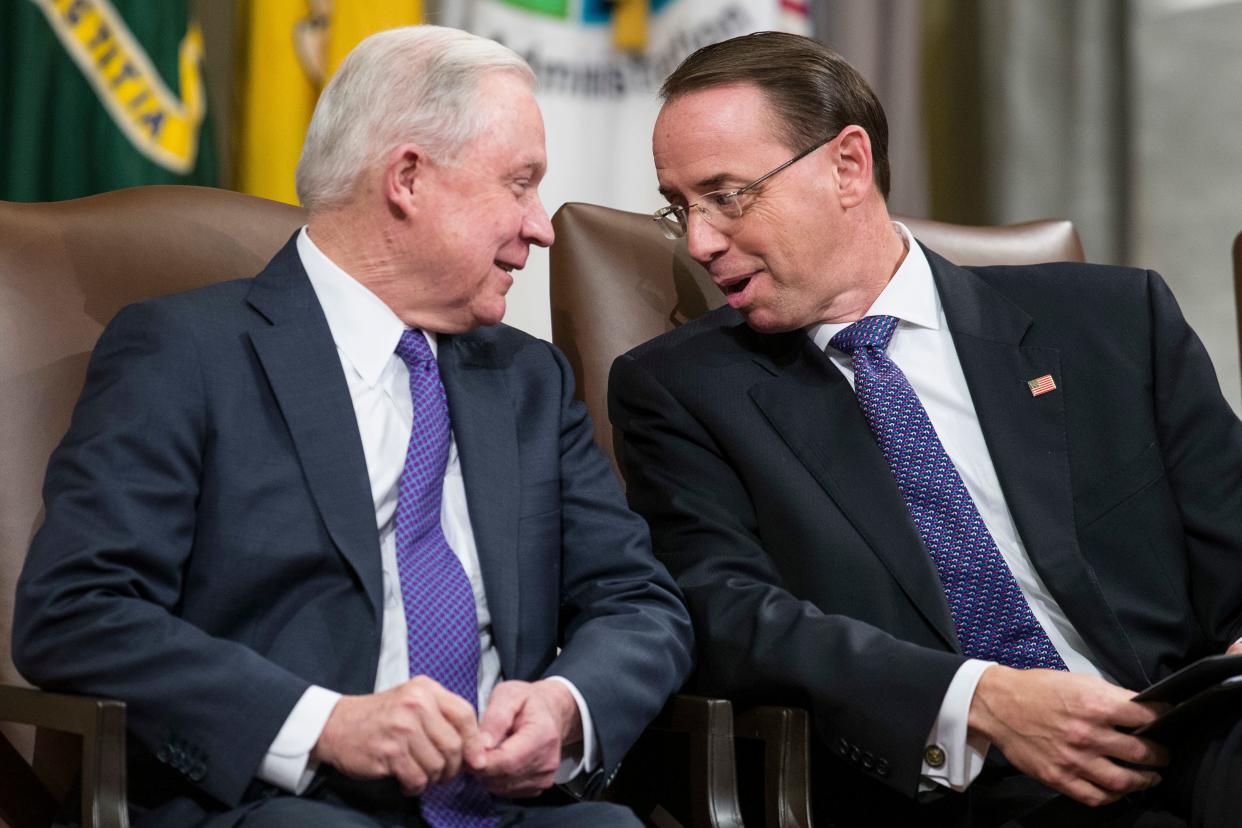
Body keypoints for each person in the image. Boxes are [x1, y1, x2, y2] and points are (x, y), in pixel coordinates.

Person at [13, 25, 693, 828]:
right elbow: (77, 609)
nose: (540, 226)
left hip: (500, 805)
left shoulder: (526, 379)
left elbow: (638, 599)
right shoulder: (189, 353)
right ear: (407, 177)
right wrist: (324, 724)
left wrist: (565, 705)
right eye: (519, 184)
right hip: (282, 803)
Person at [608, 30, 1242, 828]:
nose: (700, 241)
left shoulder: (1113, 323)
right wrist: (979, 700)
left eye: (727, 195)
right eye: (680, 208)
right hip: (960, 781)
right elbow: (727, 612)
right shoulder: (684, 392)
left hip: (1184, 731)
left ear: (847, 165)